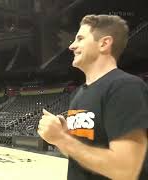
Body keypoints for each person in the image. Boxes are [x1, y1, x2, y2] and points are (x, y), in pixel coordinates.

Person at [38, 14, 148, 180]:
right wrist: (64, 135)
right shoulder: (78, 94)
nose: (72, 46)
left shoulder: (125, 87)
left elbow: (126, 170)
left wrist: (61, 139)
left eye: (80, 38)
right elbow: (80, 156)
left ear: (104, 43)